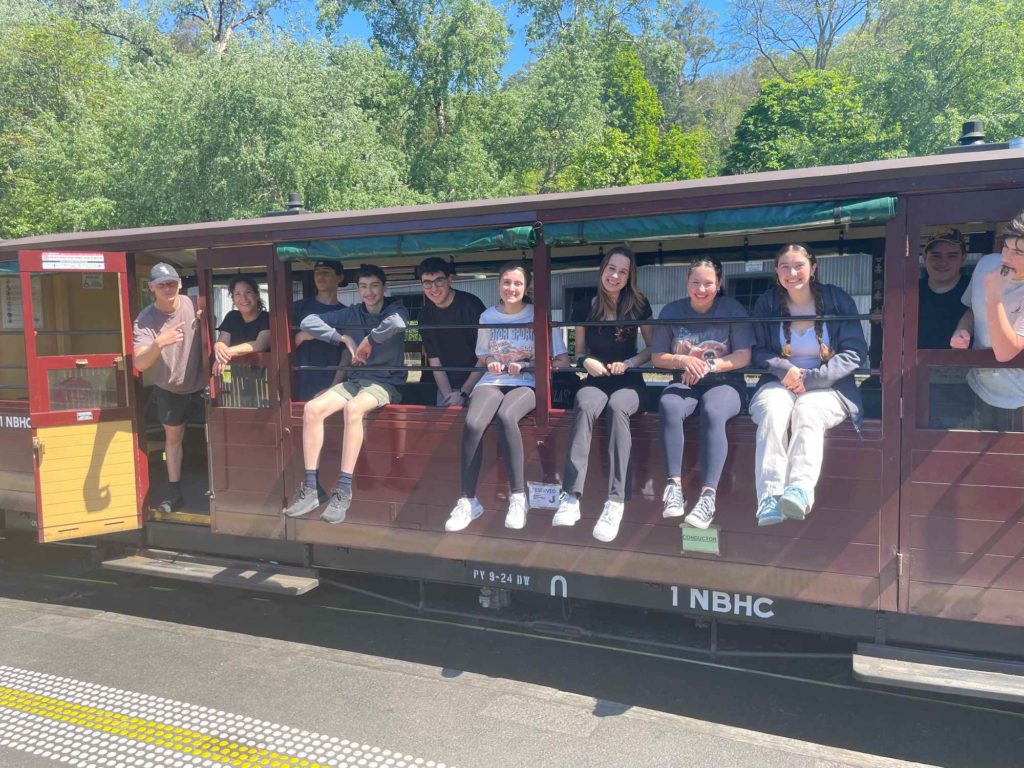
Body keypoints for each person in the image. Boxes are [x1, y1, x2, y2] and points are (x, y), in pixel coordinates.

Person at [445, 261, 569, 533]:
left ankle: (517, 497)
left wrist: (528, 364)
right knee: (474, 423)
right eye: (506, 283)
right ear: (498, 284)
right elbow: (483, 353)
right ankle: (468, 501)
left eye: (517, 283)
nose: (511, 288)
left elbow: (561, 361)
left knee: (506, 415)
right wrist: (490, 361)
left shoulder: (539, 315)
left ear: (526, 287)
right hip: (493, 381)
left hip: (526, 382)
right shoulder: (488, 316)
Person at [749, 244, 868, 526]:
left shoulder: (836, 299)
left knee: (808, 410)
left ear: (813, 268)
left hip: (831, 386)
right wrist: (783, 369)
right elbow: (756, 350)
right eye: (785, 267)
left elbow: (855, 352)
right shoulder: (767, 303)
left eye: (799, 265)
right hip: (781, 383)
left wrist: (812, 379)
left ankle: (799, 490)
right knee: (773, 410)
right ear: (777, 272)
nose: (792, 273)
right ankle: (769, 497)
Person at [284, 264, 408, 523]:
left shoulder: (395, 308)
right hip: (355, 381)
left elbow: (397, 323)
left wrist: (369, 341)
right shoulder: (351, 313)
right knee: (312, 408)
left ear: (384, 287)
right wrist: (341, 339)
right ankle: (311, 487)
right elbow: (308, 321)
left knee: (353, 409)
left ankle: (343, 489)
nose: (369, 292)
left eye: (374, 286)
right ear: (357, 289)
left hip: (385, 383)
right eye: (363, 286)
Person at [553, 246, 653, 542]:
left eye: (623, 271)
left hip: (630, 380)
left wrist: (631, 362)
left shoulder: (639, 305)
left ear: (629, 276)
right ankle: (571, 497)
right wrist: (587, 362)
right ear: (603, 270)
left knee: (618, 407)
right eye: (612, 268)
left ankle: (615, 501)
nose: (616, 276)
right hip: (596, 378)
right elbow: (579, 352)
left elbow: (651, 349)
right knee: (584, 405)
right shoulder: (585, 306)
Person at [650, 257, 754, 531]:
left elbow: (743, 355)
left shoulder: (732, 308)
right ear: (687, 283)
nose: (701, 289)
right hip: (686, 381)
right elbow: (657, 356)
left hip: (727, 382)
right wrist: (684, 361)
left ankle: (708, 497)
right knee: (669, 404)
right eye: (695, 282)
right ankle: (674, 487)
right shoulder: (672, 311)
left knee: (713, 410)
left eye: (708, 283)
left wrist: (708, 366)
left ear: (718, 284)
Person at [132, 263, 206, 514]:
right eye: (162, 284)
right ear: (151, 287)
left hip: (202, 385)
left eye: (172, 283)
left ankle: (219, 491)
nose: (168, 288)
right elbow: (140, 363)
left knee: (217, 436)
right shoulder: (145, 320)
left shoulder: (195, 303)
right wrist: (158, 344)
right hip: (169, 390)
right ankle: (175, 493)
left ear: (180, 284)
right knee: (173, 440)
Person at [950, 212, 1024, 425]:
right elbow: (972, 310)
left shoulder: (994, 283)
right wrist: (961, 331)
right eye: (1006, 247)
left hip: (1018, 398)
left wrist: (994, 295)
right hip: (976, 386)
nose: (1007, 258)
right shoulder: (986, 264)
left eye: (1017, 252)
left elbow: (1006, 352)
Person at [416, 257, 486, 406]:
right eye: (427, 283)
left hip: (480, 382)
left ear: (449, 280)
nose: (434, 289)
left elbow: (485, 355)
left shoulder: (471, 305)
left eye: (439, 281)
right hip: (446, 385)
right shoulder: (425, 315)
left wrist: (463, 392)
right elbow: (435, 362)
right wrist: (449, 396)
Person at [292, 261, 346, 401]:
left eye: (326, 271)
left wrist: (332, 390)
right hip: (297, 385)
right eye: (317, 272)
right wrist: (301, 336)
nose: (320, 276)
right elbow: (281, 347)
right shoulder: (298, 308)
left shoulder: (346, 313)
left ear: (340, 278)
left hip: (331, 389)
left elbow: (346, 357)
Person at [918, 228, 969, 349]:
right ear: (924, 257)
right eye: (936, 256)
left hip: (966, 366)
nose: (943, 262)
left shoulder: (975, 290)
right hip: (918, 366)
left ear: (963, 259)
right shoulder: (911, 292)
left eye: (952, 256)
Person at [212, 275, 270, 376]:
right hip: (237, 377)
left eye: (248, 292)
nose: (243, 298)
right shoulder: (231, 316)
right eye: (237, 294)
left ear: (257, 295)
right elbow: (222, 342)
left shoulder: (267, 317)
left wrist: (226, 353)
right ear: (233, 299)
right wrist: (218, 348)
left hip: (265, 376)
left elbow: (260, 344)